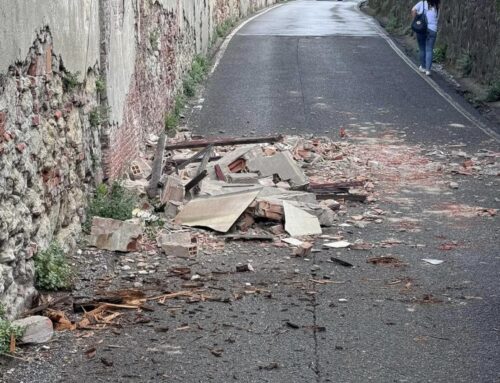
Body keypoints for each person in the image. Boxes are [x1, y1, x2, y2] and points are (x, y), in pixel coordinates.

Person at [411, 0, 440, 76]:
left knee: (422, 48)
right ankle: (428, 70)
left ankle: (423, 67)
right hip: (433, 29)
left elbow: (413, 10)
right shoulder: (436, 6)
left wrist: (416, 20)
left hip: (422, 28)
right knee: (429, 49)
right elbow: (437, 18)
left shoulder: (422, 3)